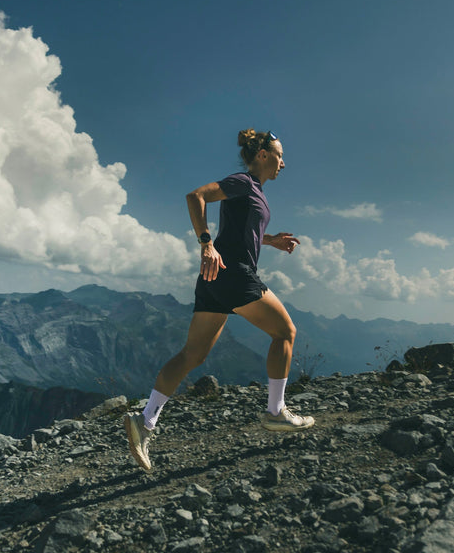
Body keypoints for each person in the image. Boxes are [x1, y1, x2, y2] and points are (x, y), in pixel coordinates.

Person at [123, 128, 314, 471]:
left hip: (215, 278)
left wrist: (269, 240)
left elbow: (243, 231)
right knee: (285, 333)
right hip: (232, 273)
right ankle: (276, 412)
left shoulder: (252, 191)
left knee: (192, 354)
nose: (284, 163)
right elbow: (195, 196)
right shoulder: (242, 182)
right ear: (263, 155)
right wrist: (206, 243)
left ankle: (145, 420)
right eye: (280, 155)